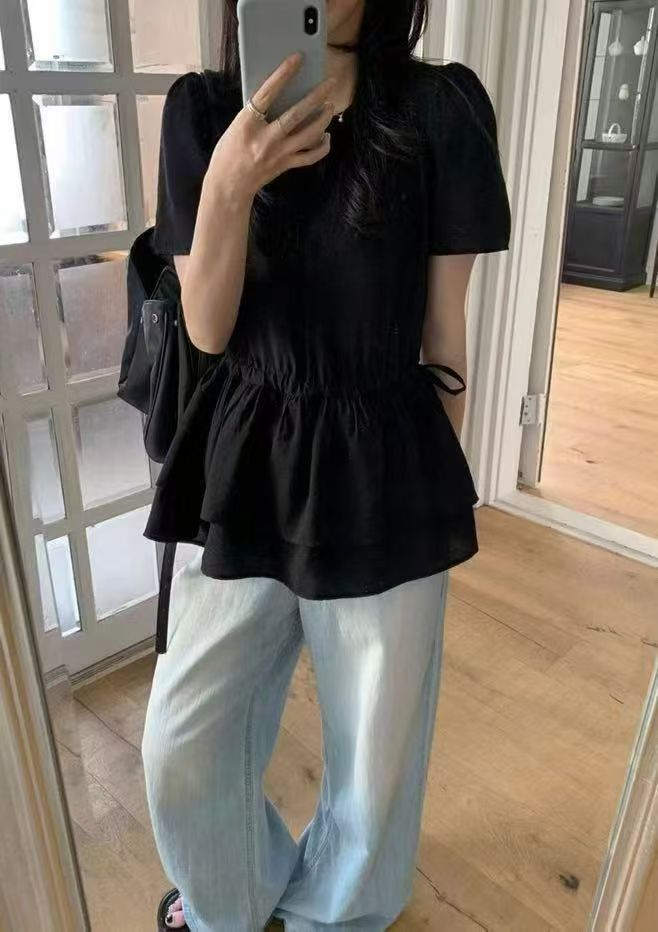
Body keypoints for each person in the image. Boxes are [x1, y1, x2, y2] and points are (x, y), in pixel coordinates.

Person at [141, 1, 511, 929]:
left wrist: (435, 494)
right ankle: (234, 899)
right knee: (183, 742)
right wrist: (230, 184)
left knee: (376, 757)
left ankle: (332, 920)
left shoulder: (439, 110)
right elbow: (207, 329)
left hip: (388, 458)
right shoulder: (203, 111)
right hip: (246, 458)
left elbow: (444, 332)